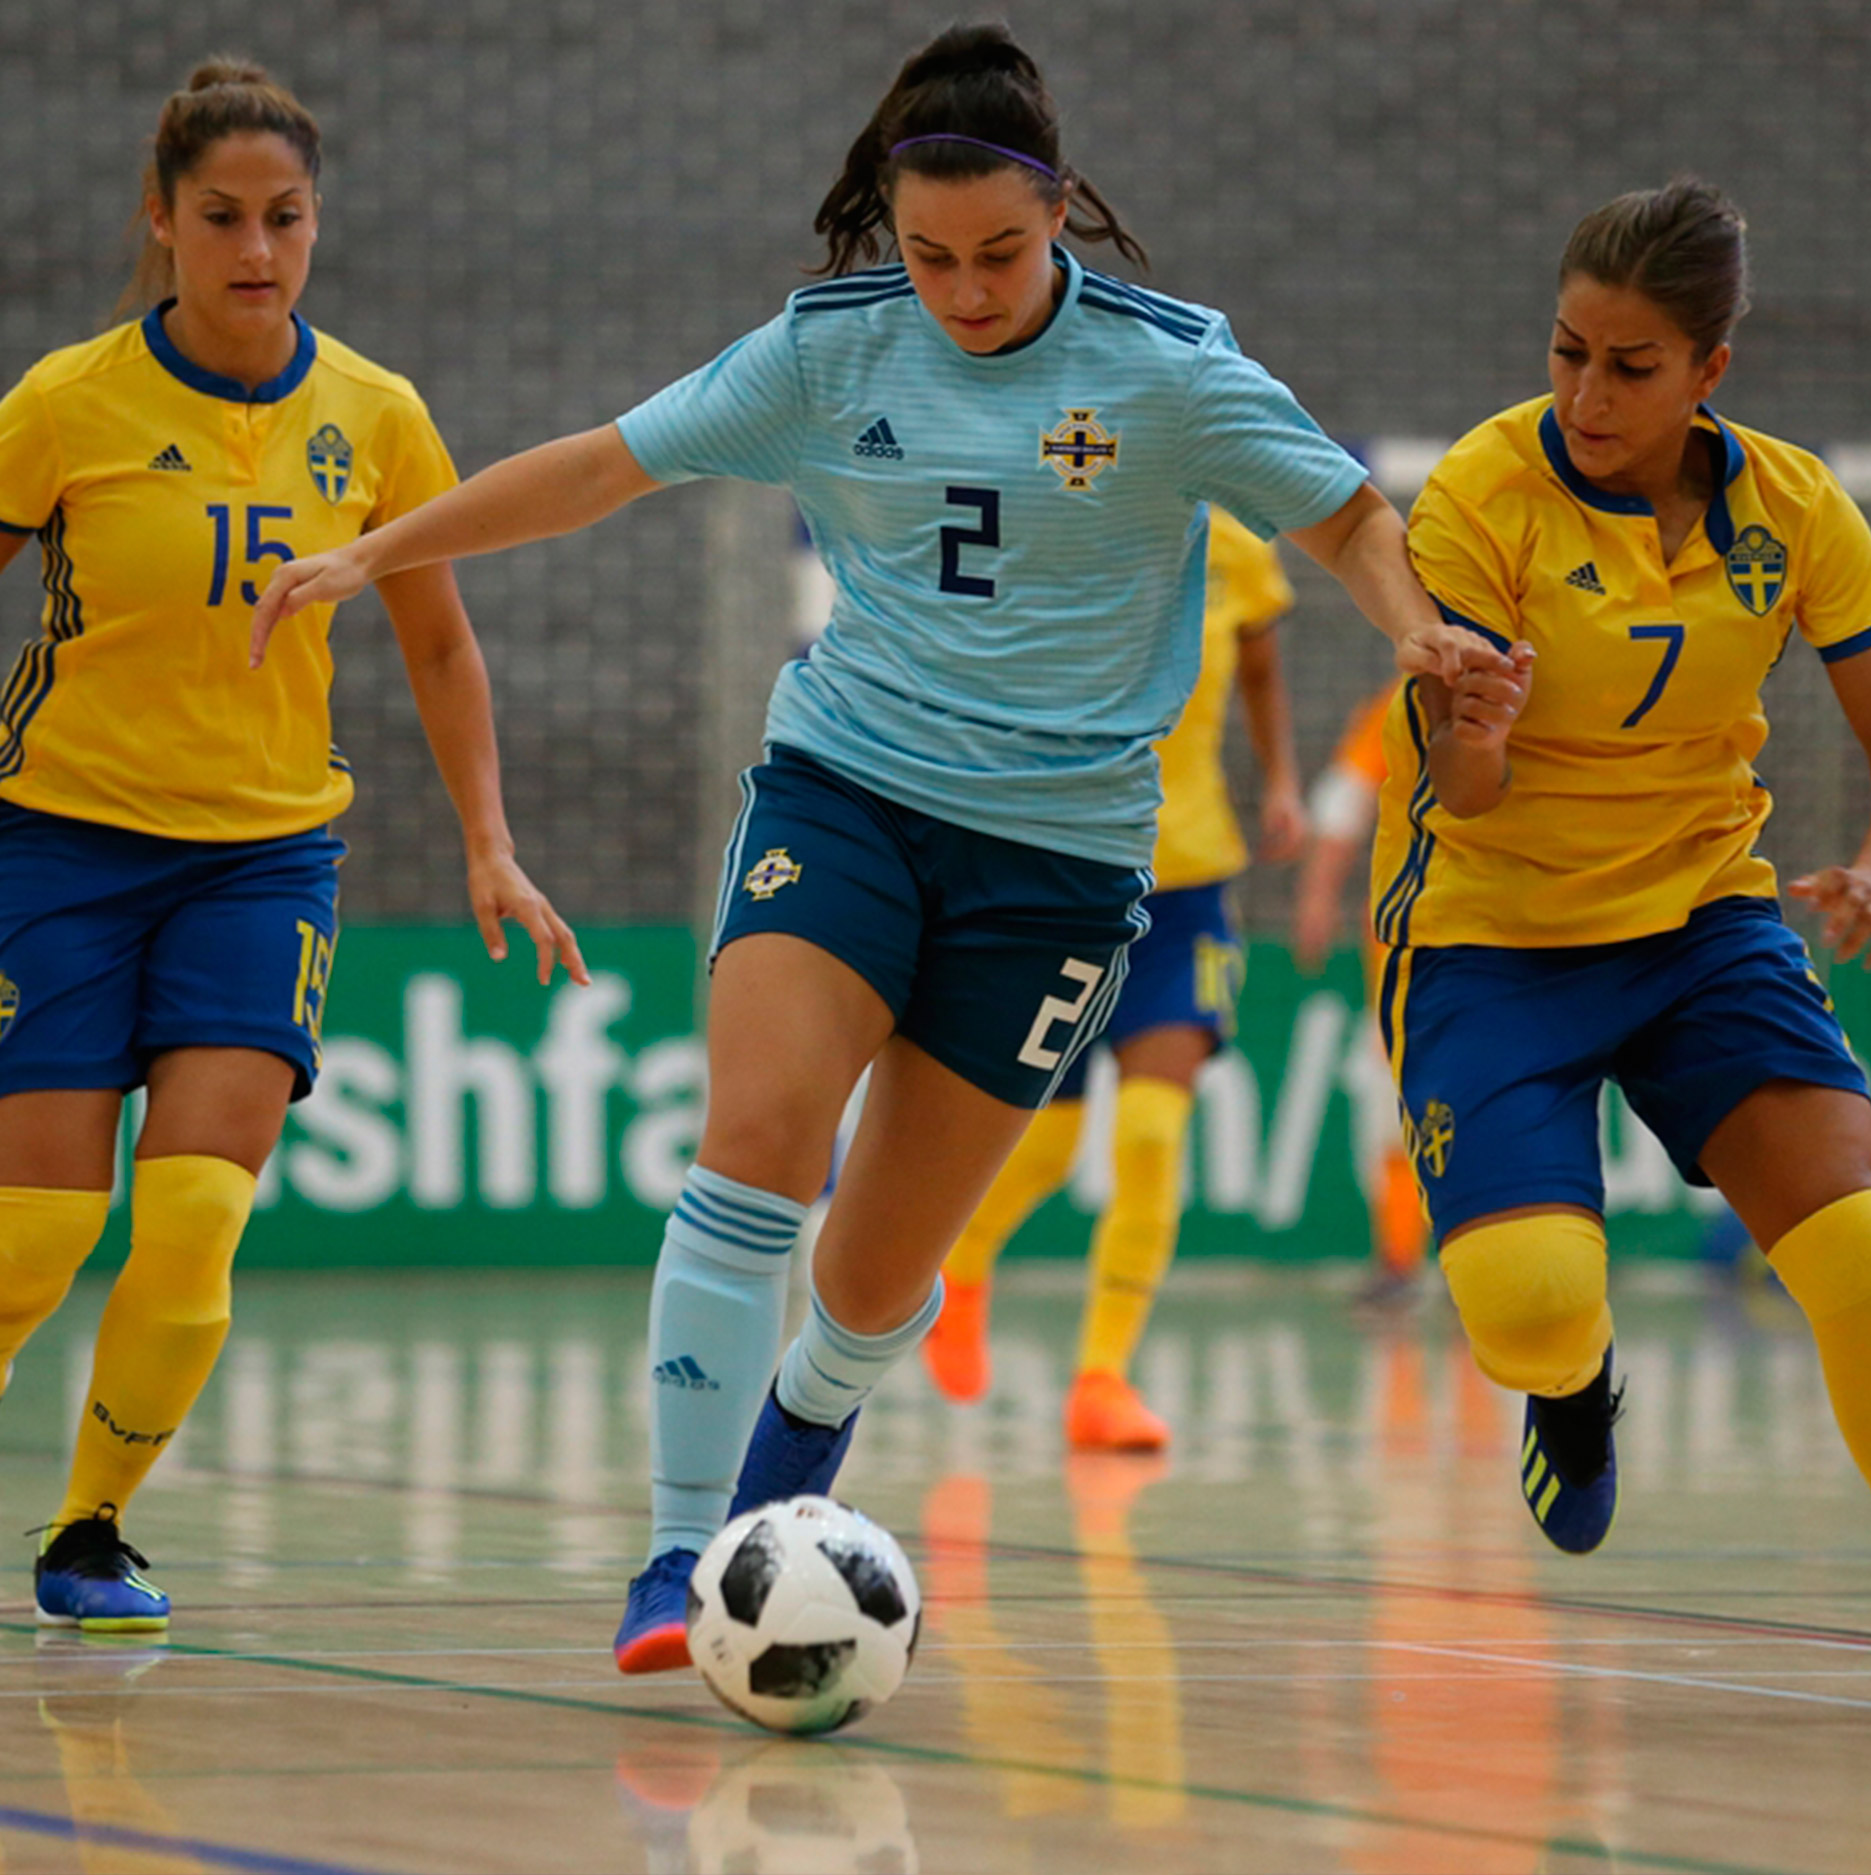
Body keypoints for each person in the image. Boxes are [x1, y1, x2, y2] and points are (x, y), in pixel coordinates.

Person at [251, 22, 1490, 1672]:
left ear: (1059, 215)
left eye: (998, 253)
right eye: (929, 256)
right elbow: (598, 471)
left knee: (876, 1273)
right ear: (885, 228)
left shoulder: (1170, 368)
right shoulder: (829, 351)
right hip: (846, 792)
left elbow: (1341, 510)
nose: (964, 290)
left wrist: (1412, 628)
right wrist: (377, 550)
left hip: (1055, 860)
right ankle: (681, 1552)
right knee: (757, 1138)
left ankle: (784, 1487)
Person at [0, 60, 583, 1632]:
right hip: (56, 840)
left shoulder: (377, 417)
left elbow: (443, 648)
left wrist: (489, 844)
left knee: (194, 1212)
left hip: (261, 858)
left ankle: (92, 1530)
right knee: (37, 1233)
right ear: (162, 223)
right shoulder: (67, 401)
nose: (256, 249)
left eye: (285, 218)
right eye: (221, 219)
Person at [1375, 177, 1871, 1555]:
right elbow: (1458, 796)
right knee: (1527, 1298)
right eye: (1565, 352)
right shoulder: (1479, 494)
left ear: (1707, 370)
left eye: (1628, 366)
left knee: (1863, 1259)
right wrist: (1472, 720)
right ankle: (1575, 1383)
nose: (1586, 394)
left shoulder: (1793, 508)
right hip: (1491, 933)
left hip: (1699, 921)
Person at [920, 509, 1304, 1448]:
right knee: (1045, 1146)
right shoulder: (1063, 525)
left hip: (1189, 886)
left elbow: (1257, 662)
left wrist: (1282, 779)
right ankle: (961, 1262)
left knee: (1147, 1134)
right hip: (1067, 878)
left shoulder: (1237, 551)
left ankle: (1102, 1377)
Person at [1291, 684, 1429, 1302]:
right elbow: (1344, 802)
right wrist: (1318, 898)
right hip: (1407, 944)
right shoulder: (1399, 705)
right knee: (1391, 1105)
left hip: (1505, 938)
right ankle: (1399, 1262)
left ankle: (1484, 1254)